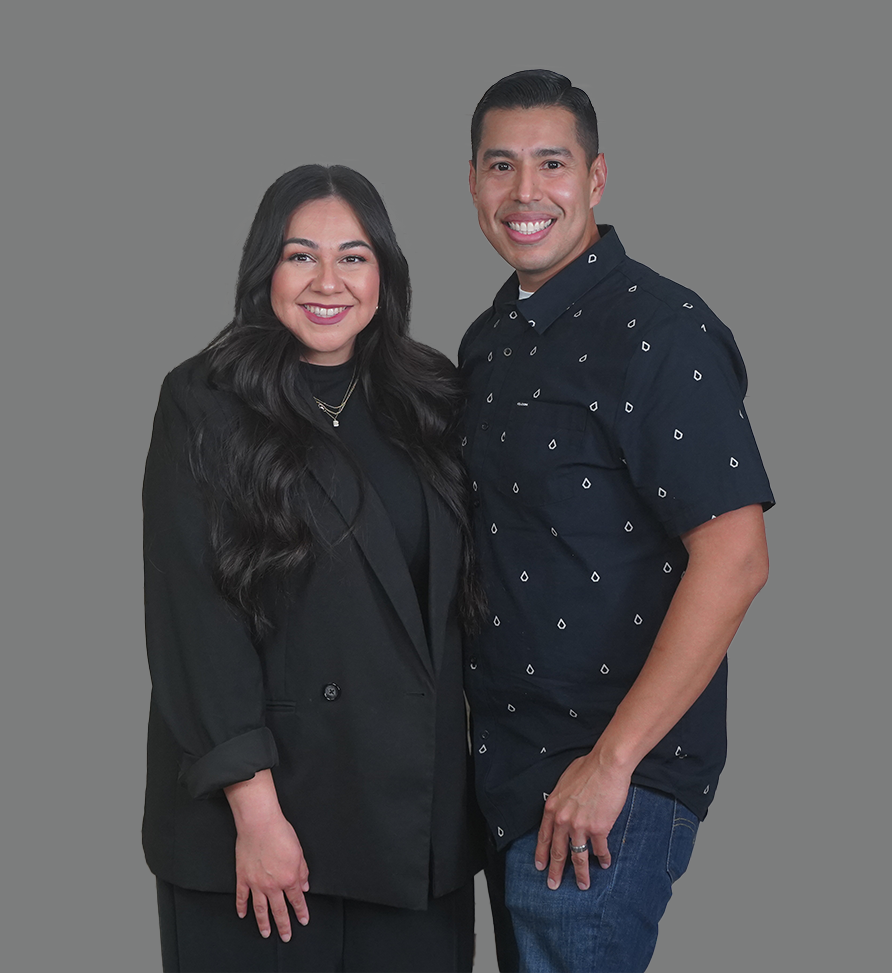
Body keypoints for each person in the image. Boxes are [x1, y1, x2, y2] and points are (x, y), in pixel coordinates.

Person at [459, 71, 774, 973]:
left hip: (607, 788)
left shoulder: (662, 330)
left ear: (596, 180)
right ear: (473, 184)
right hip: (511, 778)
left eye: (551, 164)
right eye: (501, 167)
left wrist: (611, 764)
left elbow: (738, 557)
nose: (526, 194)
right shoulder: (490, 341)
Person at [142, 164, 484, 973]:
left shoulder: (431, 395)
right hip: (256, 829)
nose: (328, 282)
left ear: (384, 274)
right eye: (301, 256)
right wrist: (257, 817)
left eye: (354, 256)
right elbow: (194, 620)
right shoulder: (204, 399)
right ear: (265, 270)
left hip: (410, 822)